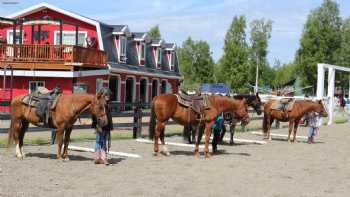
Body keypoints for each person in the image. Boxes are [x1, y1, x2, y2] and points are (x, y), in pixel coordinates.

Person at [92, 88, 113, 165]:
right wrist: (96, 125)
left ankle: (103, 158)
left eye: (108, 95)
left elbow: (109, 116)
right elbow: (94, 115)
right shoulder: (99, 103)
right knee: (99, 140)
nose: (108, 96)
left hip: (106, 125)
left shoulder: (107, 104)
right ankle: (98, 158)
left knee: (103, 141)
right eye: (106, 95)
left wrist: (110, 126)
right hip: (100, 125)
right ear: (103, 95)